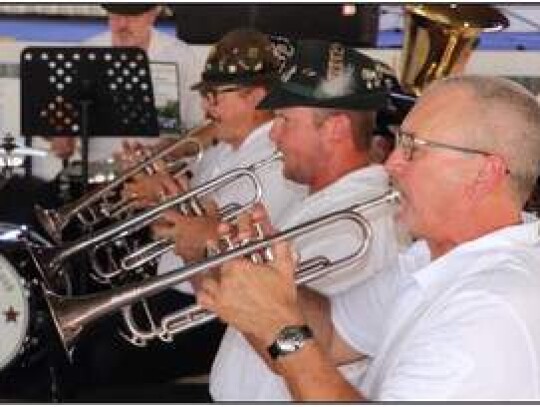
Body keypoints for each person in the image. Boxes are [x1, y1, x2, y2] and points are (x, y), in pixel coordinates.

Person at [198, 75, 540, 400]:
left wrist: (279, 329)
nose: (391, 163)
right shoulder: (431, 258)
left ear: (484, 174)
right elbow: (332, 336)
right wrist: (268, 277)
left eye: (413, 148)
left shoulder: (492, 309)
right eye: (398, 141)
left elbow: (294, 339)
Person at [70, 27, 306, 402]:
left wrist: (168, 198)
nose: (207, 107)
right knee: (84, 333)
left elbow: (225, 240)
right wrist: (155, 193)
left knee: (96, 354)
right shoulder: (219, 152)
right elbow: (175, 226)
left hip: (206, 311)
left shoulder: (272, 163)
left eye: (217, 96)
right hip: (175, 287)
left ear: (258, 97)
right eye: (206, 95)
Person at [205, 39, 410, 401]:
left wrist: (219, 266)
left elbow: (306, 343)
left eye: (285, 119)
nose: (273, 132)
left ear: (335, 128)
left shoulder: (357, 223)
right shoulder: (326, 200)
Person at [46, 4, 205, 169]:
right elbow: (63, 124)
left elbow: (200, 129)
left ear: (154, 13)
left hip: (158, 176)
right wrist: (62, 138)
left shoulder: (180, 57)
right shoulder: (87, 53)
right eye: (115, 15)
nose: (122, 25)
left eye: (132, 16)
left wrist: (168, 150)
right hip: (96, 174)